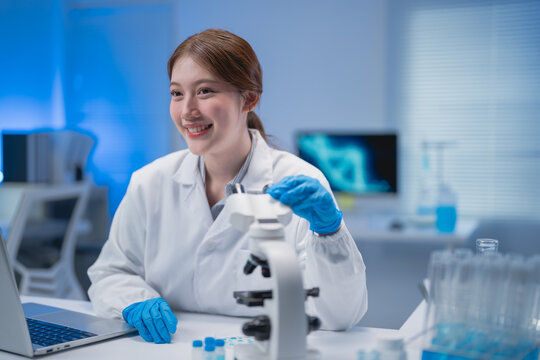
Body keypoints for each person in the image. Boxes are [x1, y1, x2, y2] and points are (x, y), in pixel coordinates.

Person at [87, 28, 367, 344]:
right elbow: (110, 273)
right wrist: (133, 299)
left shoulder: (299, 182)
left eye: (205, 91)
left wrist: (329, 231)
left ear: (249, 98)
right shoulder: (150, 182)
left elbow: (339, 316)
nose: (187, 110)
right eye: (177, 93)